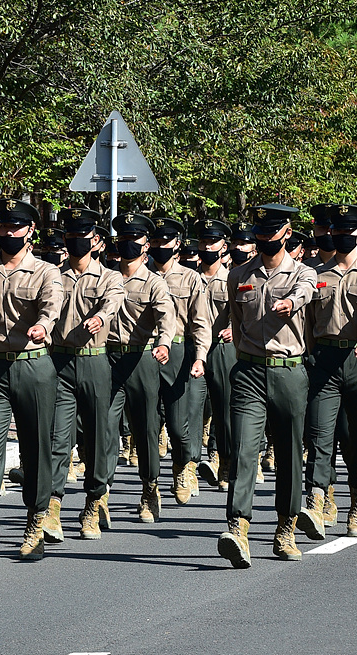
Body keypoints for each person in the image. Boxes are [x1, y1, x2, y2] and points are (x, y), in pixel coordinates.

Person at [0, 199, 64, 563]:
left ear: (30, 231)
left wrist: (44, 325)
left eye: (16, 227)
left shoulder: (46, 272)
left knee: (36, 448)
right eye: (3, 226)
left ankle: (36, 523)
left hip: (33, 367)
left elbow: (52, 306)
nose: (8, 233)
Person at [217, 204, 316, 567]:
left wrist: (290, 301)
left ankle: (286, 527)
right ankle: (237, 527)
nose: (263, 241)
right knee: (244, 448)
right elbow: (237, 315)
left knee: (289, 453)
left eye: (271, 235)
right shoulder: (240, 274)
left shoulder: (304, 273)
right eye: (258, 235)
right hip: (249, 372)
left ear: (287, 234)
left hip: (288, 371)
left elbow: (306, 292)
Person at [303, 204, 357, 537]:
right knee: (320, 433)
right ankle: (317, 499)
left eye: (348, 233)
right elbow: (307, 320)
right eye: (335, 232)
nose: (341, 237)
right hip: (323, 359)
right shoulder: (314, 273)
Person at [44, 208, 125, 541]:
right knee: (58, 439)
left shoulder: (110, 277)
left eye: (84, 237)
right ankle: (51, 507)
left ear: (96, 240)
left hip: (94, 362)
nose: (78, 243)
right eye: (72, 238)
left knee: (97, 438)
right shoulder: (52, 275)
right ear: (66, 240)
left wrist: (101, 319)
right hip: (58, 363)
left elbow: (113, 302)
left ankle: (93, 504)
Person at [107, 212, 176, 522]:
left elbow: (167, 317)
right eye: (123, 239)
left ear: (146, 244)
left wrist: (164, 343)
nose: (127, 244)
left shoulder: (154, 283)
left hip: (141, 359)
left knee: (146, 429)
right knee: (104, 427)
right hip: (107, 359)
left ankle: (150, 487)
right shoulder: (106, 276)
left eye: (134, 239)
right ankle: (100, 495)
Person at [150, 217, 211, 505]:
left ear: (176, 243)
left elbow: (200, 323)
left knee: (177, 424)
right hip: (143, 354)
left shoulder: (190, 278)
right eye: (156, 241)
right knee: (147, 424)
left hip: (177, 352)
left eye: (166, 241)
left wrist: (200, 357)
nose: (160, 246)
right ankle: (148, 487)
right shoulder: (141, 275)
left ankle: (182, 465)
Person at [193, 219, 235, 492]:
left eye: (213, 242)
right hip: (194, 348)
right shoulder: (189, 276)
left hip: (221, 347)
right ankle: (189, 463)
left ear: (224, 246)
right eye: (204, 242)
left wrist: (234, 326)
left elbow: (242, 309)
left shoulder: (234, 277)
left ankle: (225, 461)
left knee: (225, 408)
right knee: (191, 407)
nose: (208, 247)